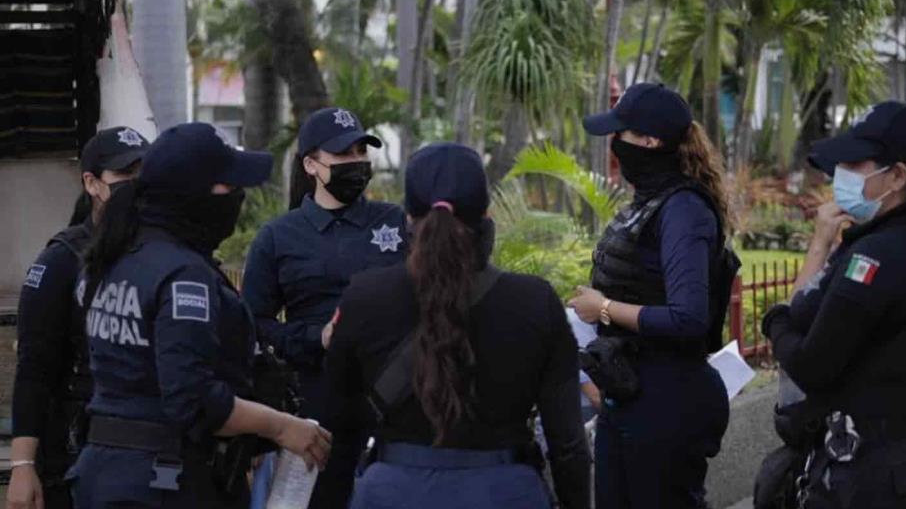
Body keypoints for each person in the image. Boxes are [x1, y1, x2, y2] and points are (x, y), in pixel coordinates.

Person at [67, 123, 331, 508]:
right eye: (229, 185)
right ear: (195, 197)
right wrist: (283, 427)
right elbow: (192, 399)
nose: (238, 196)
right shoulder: (182, 275)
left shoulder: (114, 257)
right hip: (161, 482)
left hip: (109, 471)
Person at [323, 143, 591, 509]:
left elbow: (339, 421)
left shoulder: (364, 296)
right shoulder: (536, 302)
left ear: (408, 219)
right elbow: (568, 443)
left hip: (392, 493)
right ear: (487, 215)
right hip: (506, 493)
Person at [760, 102, 906, 508]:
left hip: (877, 478)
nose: (841, 176)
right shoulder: (901, 238)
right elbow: (805, 311)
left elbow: (811, 363)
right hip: (898, 464)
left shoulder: (879, 254)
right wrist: (819, 244)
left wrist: (774, 322)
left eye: (855, 164)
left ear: (897, 176)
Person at [569, 82, 732, 508]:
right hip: (629, 390)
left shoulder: (683, 209)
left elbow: (688, 316)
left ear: (648, 142)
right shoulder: (651, 201)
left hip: (666, 398)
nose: (614, 144)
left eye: (619, 134)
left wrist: (602, 307)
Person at [242, 107, 407, 508]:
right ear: (312, 165)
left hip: (397, 403)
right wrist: (316, 338)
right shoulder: (279, 237)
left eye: (360, 152)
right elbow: (253, 325)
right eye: (342, 154)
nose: (356, 163)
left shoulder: (396, 222)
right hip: (315, 411)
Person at [8, 127, 150, 509]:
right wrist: (23, 465)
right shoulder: (63, 259)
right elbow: (34, 368)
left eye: (144, 174)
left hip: (146, 450)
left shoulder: (161, 253)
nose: (137, 186)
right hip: (75, 448)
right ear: (92, 183)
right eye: (125, 175)